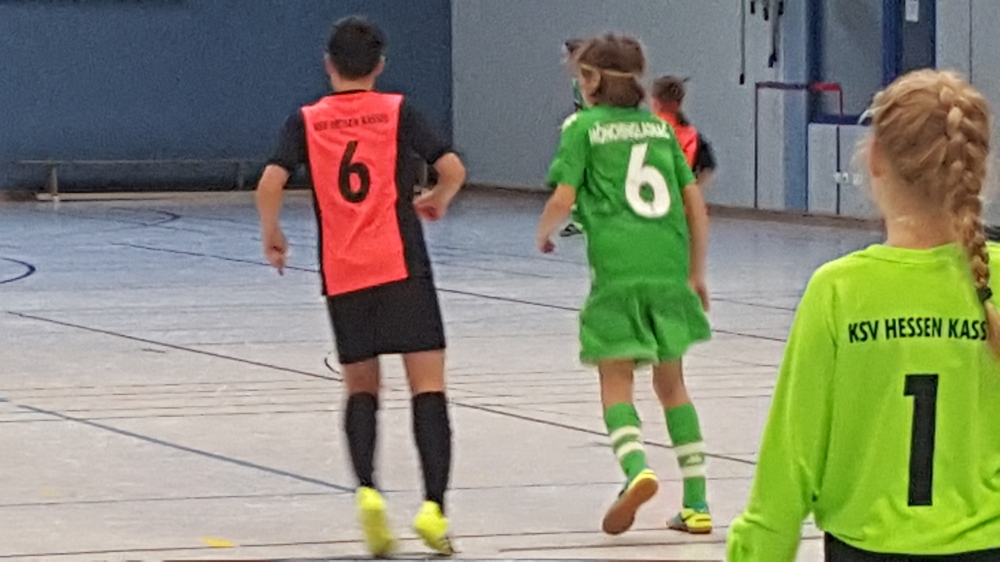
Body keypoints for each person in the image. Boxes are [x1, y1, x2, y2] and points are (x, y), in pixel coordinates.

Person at [727, 69, 1000, 561]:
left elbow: (791, 458)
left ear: (874, 158)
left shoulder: (839, 291)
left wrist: (760, 549)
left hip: (866, 550)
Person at [255, 16, 466, 557]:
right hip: (401, 264)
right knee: (428, 385)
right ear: (380, 66)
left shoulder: (307, 120)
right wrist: (437, 199)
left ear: (329, 65)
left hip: (344, 270)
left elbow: (271, 181)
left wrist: (273, 233)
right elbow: (452, 169)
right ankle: (434, 508)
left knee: (361, 387)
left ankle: (369, 491)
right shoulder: (397, 111)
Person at [536, 33, 713, 536]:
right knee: (672, 384)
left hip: (618, 273)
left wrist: (544, 232)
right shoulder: (660, 130)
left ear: (591, 81)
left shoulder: (582, 129)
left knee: (615, 380)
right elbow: (695, 205)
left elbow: (564, 196)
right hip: (669, 269)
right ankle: (697, 502)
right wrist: (696, 273)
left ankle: (637, 470)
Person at [649, 76, 717, 191]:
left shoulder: (643, 131)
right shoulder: (693, 136)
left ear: (655, 102)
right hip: (679, 197)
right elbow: (707, 170)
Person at [560, 38, 586, 238]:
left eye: (566, 56)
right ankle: (579, 219)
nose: (564, 61)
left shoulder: (592, 80)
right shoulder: (576, 82)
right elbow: (579, 108)